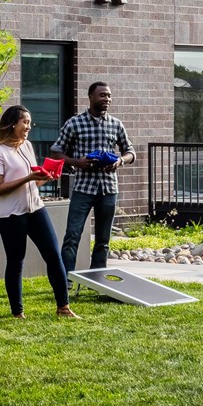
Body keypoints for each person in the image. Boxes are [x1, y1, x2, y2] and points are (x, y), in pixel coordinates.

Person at [0, 105, 78, 319]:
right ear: (12, 124)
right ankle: (17, 312)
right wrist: (28, 178)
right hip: (11, 216)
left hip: (35, 208)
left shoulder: (26, 146)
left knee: (54, 256)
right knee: (16, 260)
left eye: (29, 122)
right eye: (25, 122)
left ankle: (63, 307)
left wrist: (45, 177)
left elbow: (31, 185)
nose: (29, 127)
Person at [51, 81, 135, 275]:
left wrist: (119, 161)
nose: (107, 99)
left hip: (108, 189)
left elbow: (130, 152)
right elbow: (56, 152)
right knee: (72, 236)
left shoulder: (116, 124)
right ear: (90, 97)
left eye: (109, 96)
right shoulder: (75, 123)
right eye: (102, 95)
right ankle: (66, 281)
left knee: (103, 241)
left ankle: (97, 280)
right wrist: (76, 162)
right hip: (83, 188)